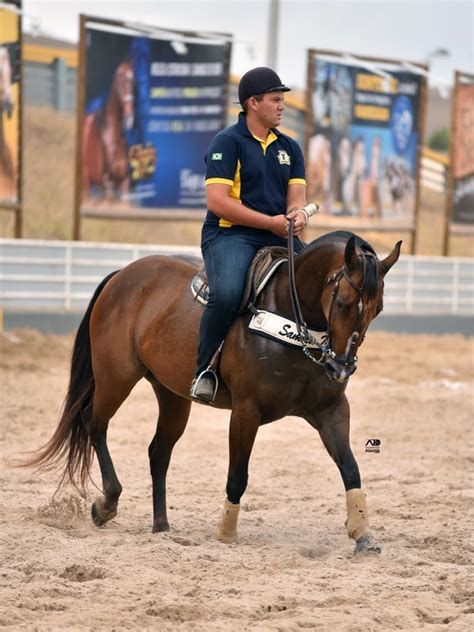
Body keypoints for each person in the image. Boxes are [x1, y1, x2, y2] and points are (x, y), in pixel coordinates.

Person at [190, 66, 317, 403]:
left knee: (323, 284)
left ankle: (322, 365)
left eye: (282, 100)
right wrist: (271, 224)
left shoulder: (290, 147)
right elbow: (217, 202)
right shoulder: (226, 143)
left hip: (278, 234)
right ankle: (205, 370)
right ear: (253, 103)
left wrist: (297, 215)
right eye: (276, 99)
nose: (282, 106)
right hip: (230, 236)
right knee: (228, 293)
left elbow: (296, 198)